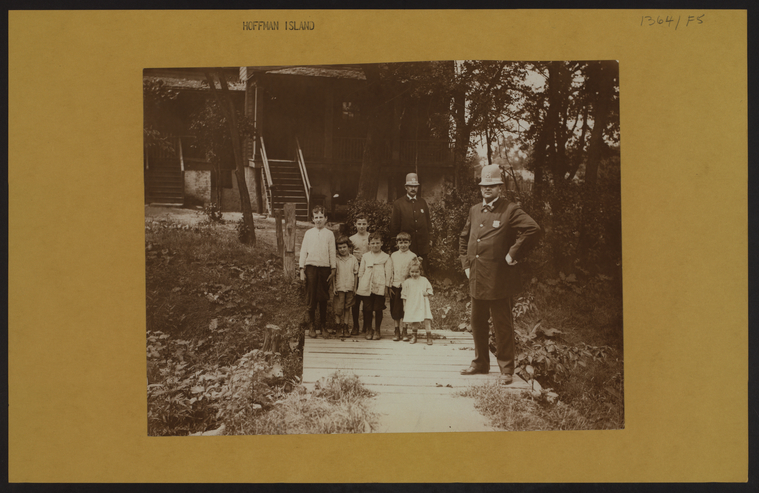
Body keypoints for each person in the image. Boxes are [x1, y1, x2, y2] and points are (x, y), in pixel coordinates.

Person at [458, 164, 541, 384]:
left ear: (499, 188)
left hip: (498, 278)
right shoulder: (475, 210)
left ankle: (506, 370)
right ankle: (480, 363)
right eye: (484, 185)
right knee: (477, 321)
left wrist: (512, 253)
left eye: (492, 185)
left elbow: (532, 228)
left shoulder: (510, 209)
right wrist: (466, 264)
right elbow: (463, 238)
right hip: (476, 275)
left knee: (501, 323)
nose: (487, 189)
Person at [299, 206, 336, 339]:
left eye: (321, 217)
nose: (319, 220)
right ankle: (312, 325)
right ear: (312, 219)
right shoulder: (309, 233)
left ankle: (323, 325)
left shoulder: (329, 234)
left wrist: (333, 268)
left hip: (324, 269)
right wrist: (302, 269)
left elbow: (332, 251)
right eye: (316, 217)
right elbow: (303, 251)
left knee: (323, 297)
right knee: (311, 297)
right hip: (311, 268)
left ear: (326, 218)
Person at [390, 173, 432, 276]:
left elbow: (428, 222)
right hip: (407, 245)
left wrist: (430, 239)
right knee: (407, 272)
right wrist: (395, 244)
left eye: (415, 186)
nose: (413, 188)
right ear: (406, 187)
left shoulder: (422, 202)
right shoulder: (399, 203)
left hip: (422, 245)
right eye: (410, 186)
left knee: (422, 272)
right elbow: (394, 226)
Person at [356, 232, 392, 340]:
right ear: (369, 244)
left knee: (378, 308)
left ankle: (377, 330)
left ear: (381, 243)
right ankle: (368, 329)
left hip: (379, 286)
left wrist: (386, 287)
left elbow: (388, 273)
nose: (375, 245)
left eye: (377, 243)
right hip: (366, 285)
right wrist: (361, 285)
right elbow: (361, 272)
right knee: (367, 309)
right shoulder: (365, 256)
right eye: (372, 243)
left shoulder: (386, 257)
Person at [389, 231, 417, 341]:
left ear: (410, 243)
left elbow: (415, 271)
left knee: (406, 309)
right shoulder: (394, 255)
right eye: (400, 242)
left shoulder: (413, 256)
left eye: (405, 242)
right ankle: (396, 330)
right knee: (396, 309)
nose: (403, 245)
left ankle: (405, 330)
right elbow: (390, 271)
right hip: (395, 285)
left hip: (407, 286)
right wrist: (390, 285)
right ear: (397, 243)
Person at [401, 258, 434, 345]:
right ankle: (414, 336)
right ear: (409, 271)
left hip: (423, 303)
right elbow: (404, 295)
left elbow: (430, 289)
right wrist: (404, 305)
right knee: (414, 319)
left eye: (417, 272)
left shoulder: (424, 280)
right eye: (412, 272)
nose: (414, 274)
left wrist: (426, 293)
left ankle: (429, 337)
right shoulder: (407, 282)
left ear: (420, 271)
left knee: (427, 319)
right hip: (412, 303)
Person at [333, 236, 359, 338]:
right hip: (339, 288)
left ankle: (346, 326)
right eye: (340, 248)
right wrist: (334, 287)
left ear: (349, 247)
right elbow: (333, 275)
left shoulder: (353, 259)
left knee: (347, 308)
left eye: (344, 247)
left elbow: (356, 274)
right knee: (338, 309)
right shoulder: (335, 259)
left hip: (349, 287)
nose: (342, 249)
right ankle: (338, 327)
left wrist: (355, 287)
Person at [349, 215, 371, 335]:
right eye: (359, 224)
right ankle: (355, 325)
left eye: (364, 224)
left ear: (368, 224)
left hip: (368, 270)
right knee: (356, 299)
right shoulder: (352, 239)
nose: (361, 226)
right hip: (356, 270)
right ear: (355, 225)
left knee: (367, 298)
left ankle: (367, 326)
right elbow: (350, 255)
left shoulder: (370, 237)